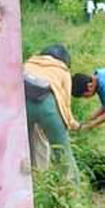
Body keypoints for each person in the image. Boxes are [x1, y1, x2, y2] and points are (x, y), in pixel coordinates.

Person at [23, 45, 79, 181]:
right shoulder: (62, 70)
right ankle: (72, 193)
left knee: (32, 149)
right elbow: (65, 101)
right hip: (49, 107)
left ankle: (38, 184)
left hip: (23, 105)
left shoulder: (28, 63)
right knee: (62, 153)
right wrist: (72, 123)